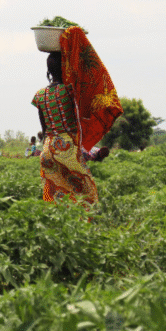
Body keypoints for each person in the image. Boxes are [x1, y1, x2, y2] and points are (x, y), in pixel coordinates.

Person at [31, 28, 122, 207]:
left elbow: (45, 130)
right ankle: (85, 230)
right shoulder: (70, 92)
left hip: (48, 151)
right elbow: (81, 117)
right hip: (67, 149)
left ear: (49, 72)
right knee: (87, 195)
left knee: (56, 197)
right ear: (65, 68)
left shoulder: (39, 95)